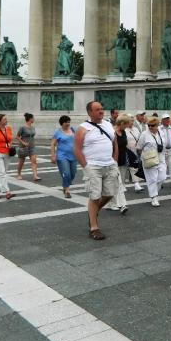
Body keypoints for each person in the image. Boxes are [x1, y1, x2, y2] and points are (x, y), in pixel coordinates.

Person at [73, 101, 120, 241]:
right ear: (89, 112)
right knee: (95, 196)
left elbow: (114, 143)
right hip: (93, 166)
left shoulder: (108, 125)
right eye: (97, 109)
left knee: (110, 193)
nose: (101, 111)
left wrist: (114, 160)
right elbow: (76, 149)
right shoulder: (83, 128)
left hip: (109, 165)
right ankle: (94, 227)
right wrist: (86, 167)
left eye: (102, 108)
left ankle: (93, 212)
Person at [105, 113, 132, 214]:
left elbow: (125, 145)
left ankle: (111, 203)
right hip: (112, 161)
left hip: (122, 159)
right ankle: (122, 205)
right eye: (126, 124)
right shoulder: (112, 132)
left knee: (116, 183)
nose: (127, 126)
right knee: (118, 183)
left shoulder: (123, 131)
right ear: (121, 123)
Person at [137, 116, 166, 207]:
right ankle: (154, 197)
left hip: (161, 158)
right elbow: (139, 147)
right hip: (150, 159)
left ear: (157, 125)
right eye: (149, 125)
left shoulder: (161, 132)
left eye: (152, 125)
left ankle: (154, 193)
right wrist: (144, 157)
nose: (150, 127)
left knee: (162, 177)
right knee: (152, 179)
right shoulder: (144, 134)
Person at [50, 115, 77, 198]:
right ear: (62, 123)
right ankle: (67, 190)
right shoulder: (58, 132)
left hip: (73, 155)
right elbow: (53, 144)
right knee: (66, 173)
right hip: (62, 156)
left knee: (73, 174)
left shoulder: (73, 130)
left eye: (69, 122)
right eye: (66, 122)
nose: (68, 123)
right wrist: (53, 156)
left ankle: (65, 185)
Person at [15, 113, 41, 182]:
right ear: (30, 119)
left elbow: (32, 136)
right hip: (23, 147)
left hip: (32, 146)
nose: (34, 119)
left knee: (34, 161)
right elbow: (17, 137)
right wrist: (23, 142)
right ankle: (19, 174)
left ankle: (35, 176)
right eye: (33, 118)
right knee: (21, 162)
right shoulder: (22, 127)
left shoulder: (33, 127)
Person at [126, 113, 144, 193]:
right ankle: (122, 184)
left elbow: (140, 138)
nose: (132, 122)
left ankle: (137, 184)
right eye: (130, 120)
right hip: (127, 151)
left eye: (133, 120)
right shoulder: (124, 130)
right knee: (125, 169)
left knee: (134, 167)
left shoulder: (136, 129)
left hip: (136, 151)